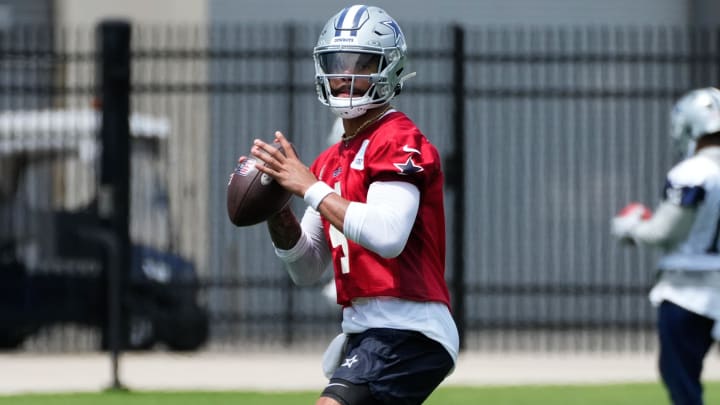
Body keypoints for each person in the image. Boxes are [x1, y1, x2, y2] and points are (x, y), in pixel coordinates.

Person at [245, 5, 459, 405]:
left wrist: (309, 187)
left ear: (390, 69)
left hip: (409, 326)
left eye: (361, 64)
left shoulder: (397, 138)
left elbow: (388, 235)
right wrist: (277, 209)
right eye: (336, 64)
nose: (344, 77)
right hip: (364, 330)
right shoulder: (329, 161)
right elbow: (307, 268)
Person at [611, 86, 720, 405]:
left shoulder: (694, 171)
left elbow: (663, 232)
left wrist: (630, 228)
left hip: (688, 292)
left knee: (682, 382)